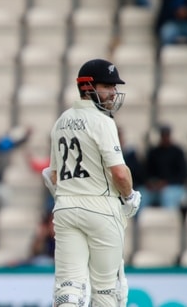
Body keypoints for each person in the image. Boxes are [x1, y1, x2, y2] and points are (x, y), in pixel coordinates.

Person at [42, 58, 141, 306]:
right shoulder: (103, 122)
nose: (113, 93)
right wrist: (129, 197)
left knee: (69, 287)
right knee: (107, 290)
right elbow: (119, 172)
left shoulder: (61, 121)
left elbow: (53, 175)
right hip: (101, 208)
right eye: (107, 86)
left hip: (65, 208)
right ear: (87, 87)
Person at [141, 125, 187, 210]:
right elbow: (146, 173)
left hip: (174, 187)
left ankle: (168, 222)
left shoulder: (178, 152)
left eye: (167, 135)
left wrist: (166, 183)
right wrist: (152, 183)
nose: (165, 137)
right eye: (163, 135)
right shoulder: (153, 152)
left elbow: (183, 175)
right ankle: (137, 222)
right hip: (155, 188)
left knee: (167, 195)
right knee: (141, 196)